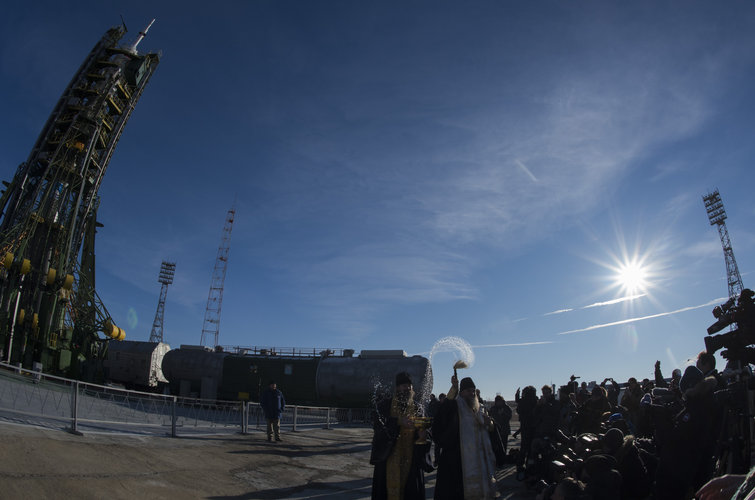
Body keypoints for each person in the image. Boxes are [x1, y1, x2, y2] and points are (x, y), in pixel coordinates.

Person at [432, 374, 497, 499]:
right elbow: (443, 414)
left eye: (473, 391)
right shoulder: (455, 407)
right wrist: (453, 388)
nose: (472, 393)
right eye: (468, 391)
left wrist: (490, 424)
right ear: (461, 393)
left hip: (478, 461)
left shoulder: (480, 408)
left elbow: (489, 428)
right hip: (457, 460)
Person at [369, 372, 430, 500]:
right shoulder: (384, 405)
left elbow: (426, 433)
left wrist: (423, 437)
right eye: (403, 385)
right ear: (396, 388)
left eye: (409, 385)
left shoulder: (418, 408)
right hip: (388, 460)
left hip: (411, 462)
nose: (407, 388)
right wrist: (397, 422)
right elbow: (378, 427)